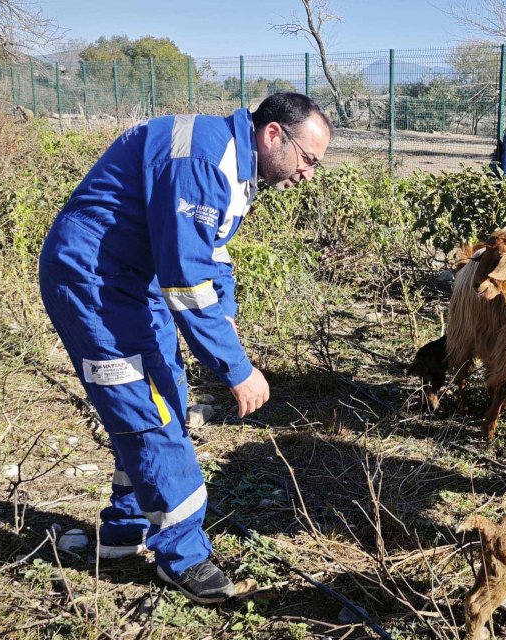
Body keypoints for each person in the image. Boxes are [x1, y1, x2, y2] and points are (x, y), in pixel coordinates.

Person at [38, 92, 331, 604]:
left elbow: (210, 251)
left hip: (135, 281)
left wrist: (229, 320)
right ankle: (184, 558)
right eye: (308, 159)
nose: (309, 175)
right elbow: (186, 281)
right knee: (147, 410)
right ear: (273, 135)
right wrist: (236, 370)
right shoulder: (204, 159)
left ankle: (126, 528)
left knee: (165, 396)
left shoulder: (234, 163)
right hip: (93, 285)